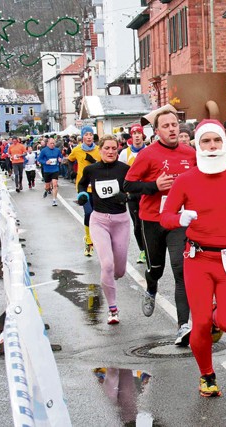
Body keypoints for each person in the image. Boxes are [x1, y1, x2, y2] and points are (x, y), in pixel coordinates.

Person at [160, 120, 226, 397]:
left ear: (225, 143)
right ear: (197, 145)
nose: (212, 146)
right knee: (200, 323)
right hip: (199, 258)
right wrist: (180, 217)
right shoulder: (186, 180)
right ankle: (207, 375)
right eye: (206, 141)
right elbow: (165, 216)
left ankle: (217, 320)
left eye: (216, 141)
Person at [124, 106, 197, 345]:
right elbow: (128, 186)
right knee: (156, 267)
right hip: (152, 220)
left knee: (181, 271)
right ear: (156, 131)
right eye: (166, 126)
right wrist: (154, 186)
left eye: (174, 125)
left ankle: (183, 326)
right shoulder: (147, 155)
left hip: (178, 221)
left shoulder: (189, 153)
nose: (172, 129)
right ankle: (151, 288)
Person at [77, 135, 131, 325]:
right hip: (99, 221)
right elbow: (82, 184)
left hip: (121, 222)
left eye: (114, 149)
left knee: (120, 270)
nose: (110, 152)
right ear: (100, 150)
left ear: (118, 150)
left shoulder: (125, 169)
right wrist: (83, 196)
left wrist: (125, 196)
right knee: (107, 265)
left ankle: (112, 276)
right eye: (106, 148)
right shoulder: (92, 169)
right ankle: (113, 309)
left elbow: (133, 188)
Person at [68, 126, 102, 256]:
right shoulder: (77, 150)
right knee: (88, 212)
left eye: (90, 134)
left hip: (97, 186)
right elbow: (70, 160)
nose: (89, 137)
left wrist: (93, 161)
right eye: (86, 134)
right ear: (82, 137)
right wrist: (72, 171)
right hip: (82, 186)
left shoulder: (99, 150)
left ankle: (97, 238)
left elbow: (104, 163)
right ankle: (88, 240)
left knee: (97, 214)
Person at [118, 124, 148, 264]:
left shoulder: (149, 151)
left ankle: (150, 249)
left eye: (139, 133)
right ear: (131, 136)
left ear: (142, 135)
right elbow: (120, 173)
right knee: (137, 223)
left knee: (148, 223)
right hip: (132, 192)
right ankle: (142, 250)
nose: (136, 135)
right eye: (134, 133)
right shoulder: (125, 153)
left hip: (147, 192)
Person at [37, 138, 63, 206]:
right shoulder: (44, 150)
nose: (52, 145)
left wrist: (60, 159)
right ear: (47, 143)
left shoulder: (57, 150)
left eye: (53, 143)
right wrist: (45, 162)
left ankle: (54, 200)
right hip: (47, 170)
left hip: (55, 169)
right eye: (51, 143)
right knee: (47, 186)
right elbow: (39, 159)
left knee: (55, 184)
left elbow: (60, 157)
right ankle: (47, 189)